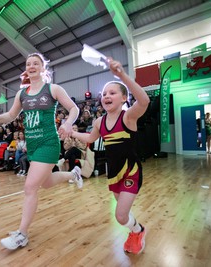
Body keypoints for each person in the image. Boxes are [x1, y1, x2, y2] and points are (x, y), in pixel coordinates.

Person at [0, 52, 82, 250]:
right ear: (26, 69)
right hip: (33, 145)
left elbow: (74, 109)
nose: (31, 66)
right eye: (28, 64)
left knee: (30, 187)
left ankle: (22, 234)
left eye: (35, 63)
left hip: (48, 143)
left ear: (42, 68)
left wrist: (68, 123)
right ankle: (73, 173)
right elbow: (11, 116)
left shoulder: (52, 89)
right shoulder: (22, 94)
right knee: (45, 183)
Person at [71, 57, 150, 254]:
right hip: (113, 173)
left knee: (120, 216)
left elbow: (144, 100)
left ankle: (138, 230)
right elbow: (90, 136)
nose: (106, 96)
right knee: (123, 214)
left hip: (131, 172)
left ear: (124, 98)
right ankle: (135, 230)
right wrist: (72, 133)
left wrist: (122, 75)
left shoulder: (128, 116)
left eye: (112, 92)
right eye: (104, 93)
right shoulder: (99, 122)